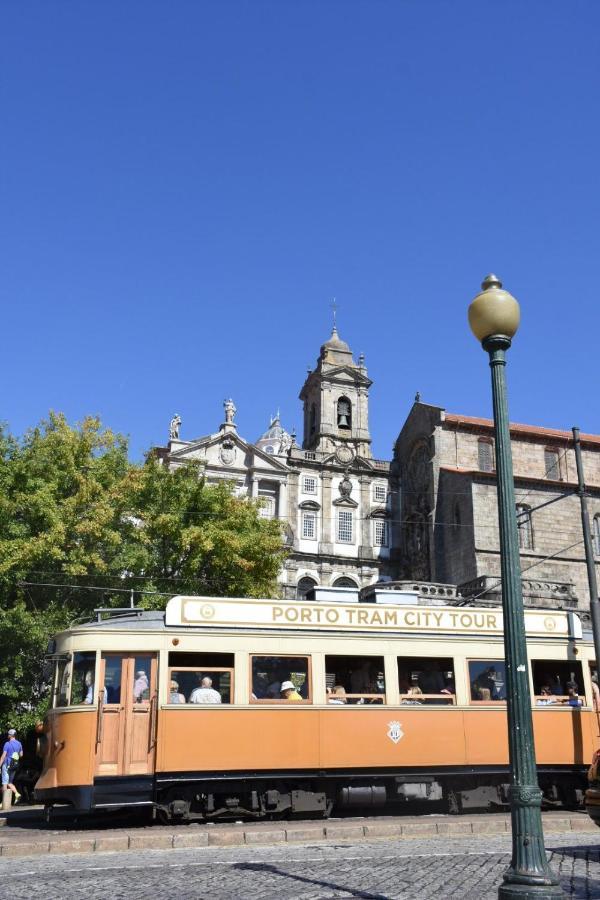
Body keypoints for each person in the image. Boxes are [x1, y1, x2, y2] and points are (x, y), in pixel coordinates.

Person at [1, 728, 23, 805]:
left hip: (6, 764)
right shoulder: (19, 744)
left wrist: (0, 765)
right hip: (14, 765)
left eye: (8, 734)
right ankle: (17, 794)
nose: (8, 735)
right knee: (9, 782)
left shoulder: (7, 744)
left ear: (10, 735)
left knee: (4, 783)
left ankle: (4, 802)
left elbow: (3, 756)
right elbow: (21, 755)